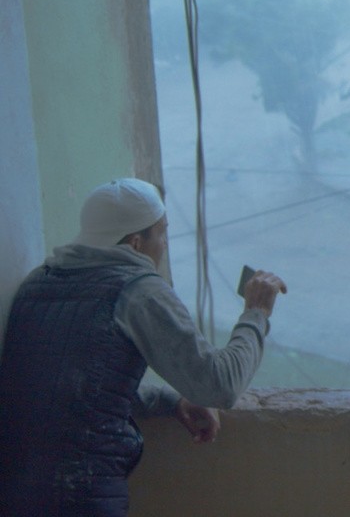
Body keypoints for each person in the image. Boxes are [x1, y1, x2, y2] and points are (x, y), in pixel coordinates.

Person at [0, 177, 288, 515]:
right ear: (136, 243)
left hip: (15, 491)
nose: (165, 244)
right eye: (162, 232)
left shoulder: (37, 284)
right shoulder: (138, 289)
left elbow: (69, 390)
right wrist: (256, 314)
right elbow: (220, 386)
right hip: (86, 497)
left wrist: (168, 401)